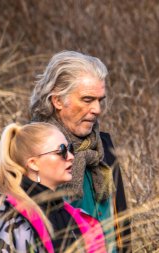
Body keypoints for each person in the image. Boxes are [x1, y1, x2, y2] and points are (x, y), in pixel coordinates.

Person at [29, 51, 131, 252]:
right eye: (87, 99)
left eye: (99, 100)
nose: (97, 109)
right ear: (57, 100)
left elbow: (120, 227)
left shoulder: (103, 148)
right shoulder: (35, 154)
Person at [0, 122, 106, 252]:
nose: (71, 157)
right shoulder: (10, 219)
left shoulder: (77, 219)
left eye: (70, 148)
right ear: (33, 164)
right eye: (62, 150)